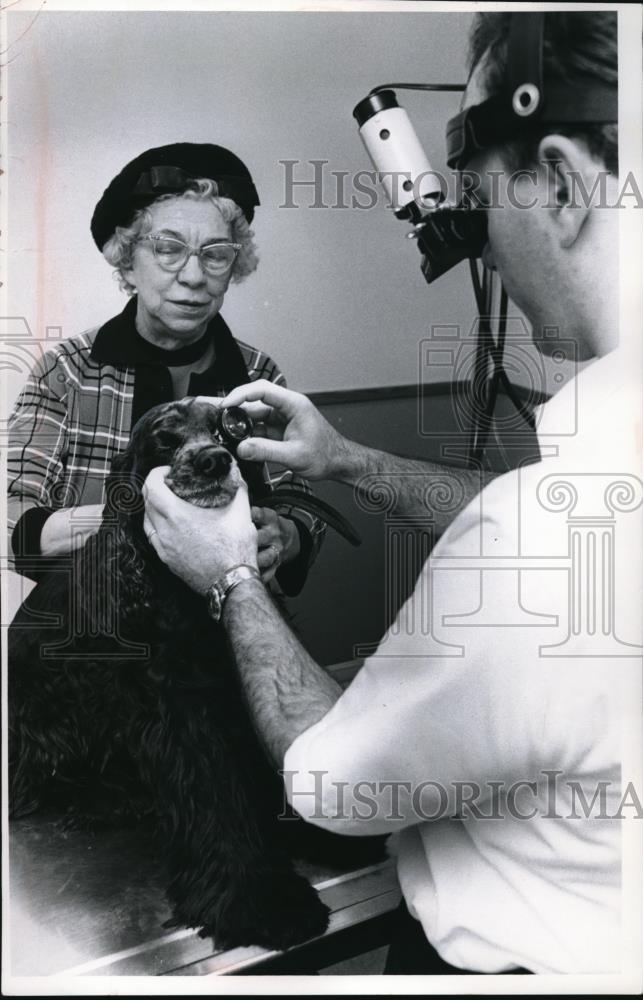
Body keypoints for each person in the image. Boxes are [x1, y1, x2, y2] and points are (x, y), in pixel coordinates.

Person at [144, 11, 640, 975]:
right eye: (168, 248)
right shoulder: (577, 511)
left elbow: (337, 788)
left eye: (483, 198)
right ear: (129, 255)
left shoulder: (537, 539)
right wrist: (347, 460)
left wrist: (232, 575)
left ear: (564, 185)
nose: (483, 242)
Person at [7, 142, 323, 594]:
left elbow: (299, 509)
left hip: (222, 631)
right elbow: (12, 521)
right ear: (128, 262)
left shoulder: (258, 376)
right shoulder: (66, 372)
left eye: (215, 254)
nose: (195, 276)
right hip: (94, 635)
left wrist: (286, 538)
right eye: (169, 249)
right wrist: (152, 516)